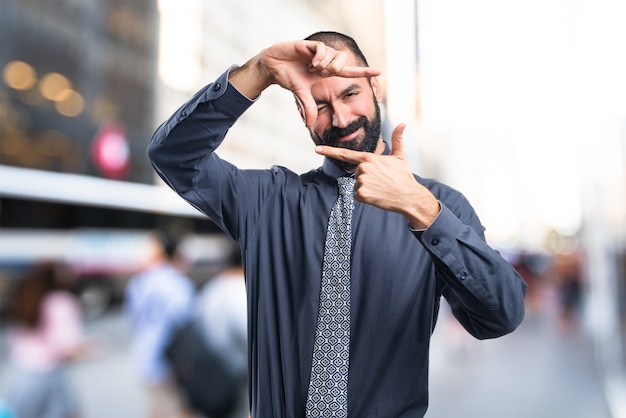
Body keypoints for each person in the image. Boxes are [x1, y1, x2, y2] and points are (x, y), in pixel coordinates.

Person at [147, 31, 527, 417]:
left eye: (349, 95)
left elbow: (500, 316)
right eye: (320, 104)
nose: (342, 119)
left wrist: (421, 210)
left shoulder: (439, 206)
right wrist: (258, 72)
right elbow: (172, 154)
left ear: (374, 86)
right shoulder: (266, 200)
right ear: (302, 112)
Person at [2, 261, 97, 418]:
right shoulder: (61, 301)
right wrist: (91, 348)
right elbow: (66, 346)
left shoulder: (26, 297)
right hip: (49, 375)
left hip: (21, 373)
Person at [124, 232, 196, 418]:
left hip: (143, 355)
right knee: (180, 410)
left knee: (158, 408)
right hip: (170, 361)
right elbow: (185, 323)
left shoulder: (138, 282)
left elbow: (133, 317)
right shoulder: (178, 283)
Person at [196, 245, 248, 416]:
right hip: (237, 372)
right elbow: (250, 337)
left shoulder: (213, 287)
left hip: (212, 369)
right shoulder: (239, 289)